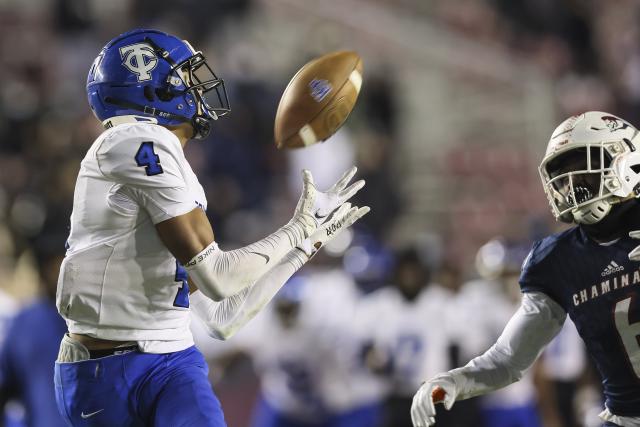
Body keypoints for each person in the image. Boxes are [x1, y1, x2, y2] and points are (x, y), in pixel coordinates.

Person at [53, 28, 369, 427]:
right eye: (184, 76)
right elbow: (218, 277)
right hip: (104, 370)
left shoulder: (172, 165)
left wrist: (305, 243)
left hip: (171, 361)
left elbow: (224, 316)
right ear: (151, 89)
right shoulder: (135, 140)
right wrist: (297, 227)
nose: (197, 87)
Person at [410, 111, 640, 427]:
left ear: (625, 159)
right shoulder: (557, 260)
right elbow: (509, 359)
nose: (572, 185)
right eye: (564, 173)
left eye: (582, 168)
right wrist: (455, 381)